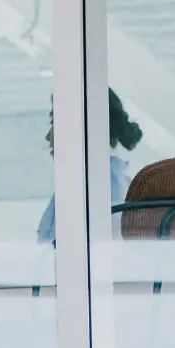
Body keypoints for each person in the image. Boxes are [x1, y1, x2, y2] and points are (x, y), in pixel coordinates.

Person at [36, 88, 142, 242]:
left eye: (54, 122)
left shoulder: (102, 186)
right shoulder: (85, 181)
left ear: (81, 126)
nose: (48, 137)